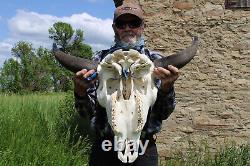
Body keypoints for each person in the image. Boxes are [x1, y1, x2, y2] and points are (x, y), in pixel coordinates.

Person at [73, 3, 179, 166]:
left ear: (143, 26)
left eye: (134, 23)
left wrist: (166, 88)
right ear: (114, 28)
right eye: (122, 24)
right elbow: (88, 113)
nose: (127, 28)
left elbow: (163, 113)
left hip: (144, 149)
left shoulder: (156, 60)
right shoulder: (98, 60)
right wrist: (80, 92)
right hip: (105, 148)